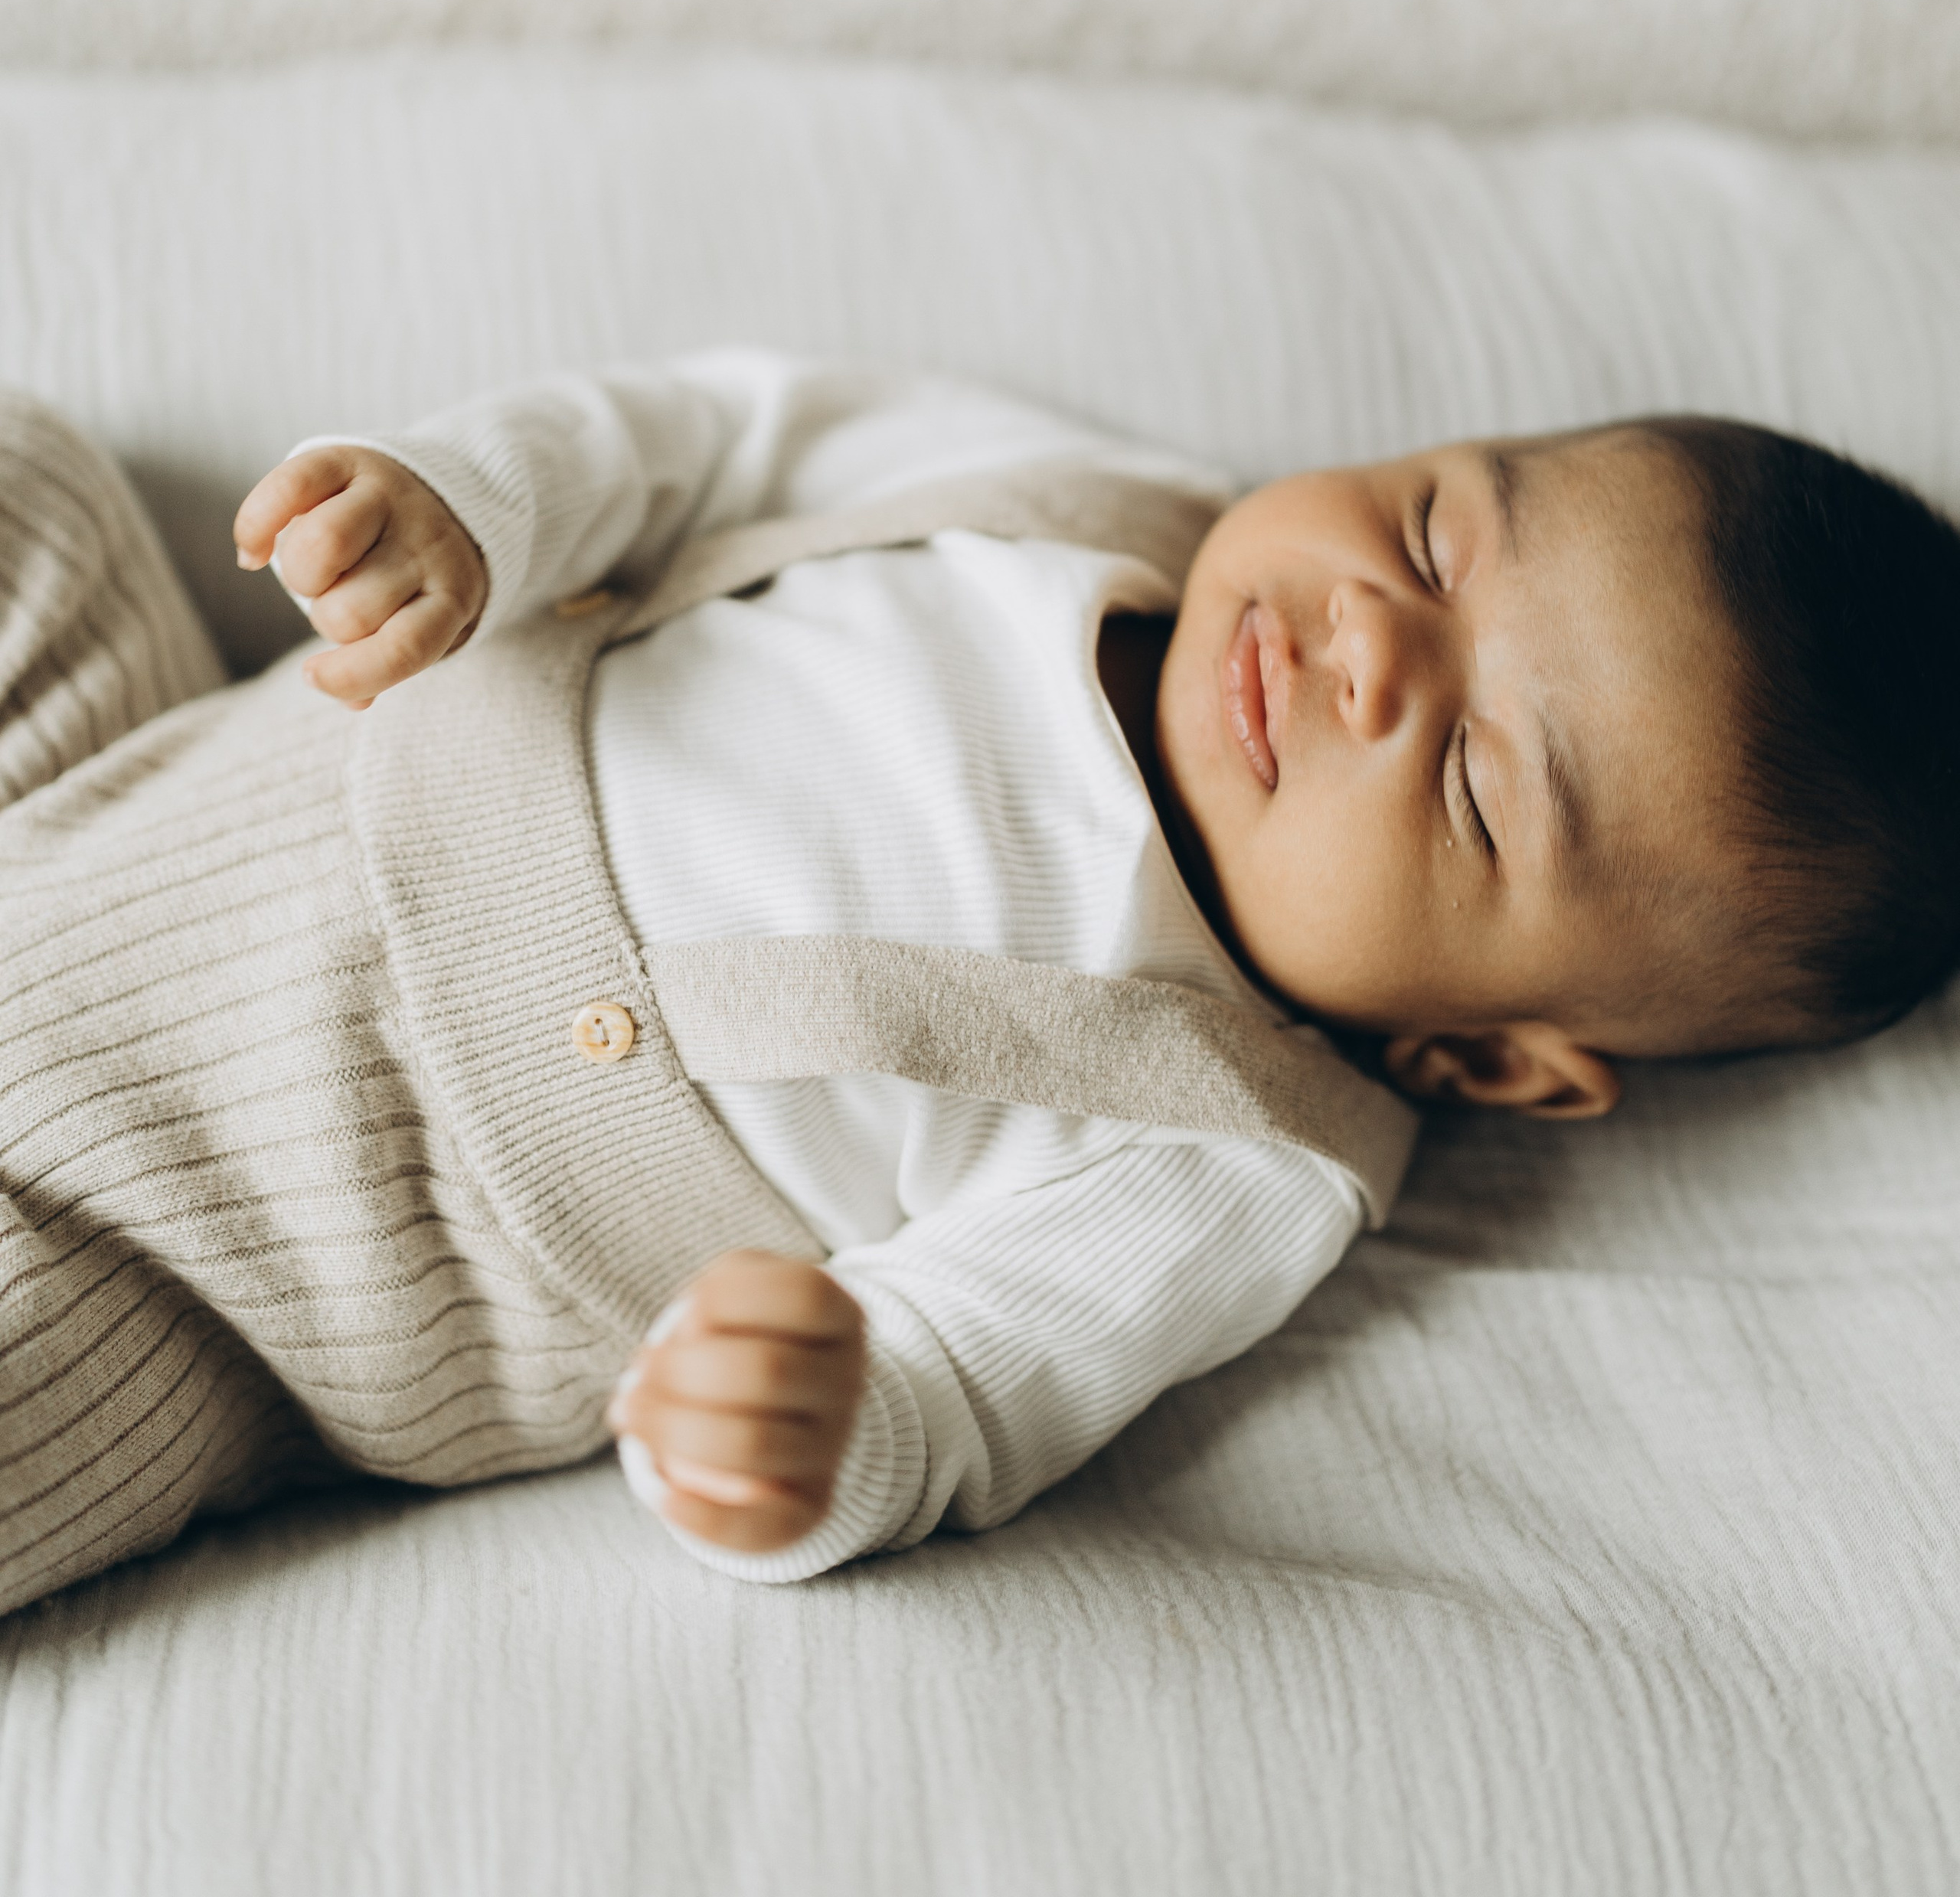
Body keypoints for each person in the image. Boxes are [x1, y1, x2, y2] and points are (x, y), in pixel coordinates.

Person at [2, 355, 1955, 1608]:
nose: (1369, 641)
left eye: (1462, 780)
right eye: (1437, 531)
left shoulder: (1232, 1151)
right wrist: (471, 513)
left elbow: (960, 1390)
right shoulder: (1085, 494)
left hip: (220, 1257)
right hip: (116, 781)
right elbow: (709, 436)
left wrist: (811, 1425)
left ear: (1485, 1052)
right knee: (38, 490)